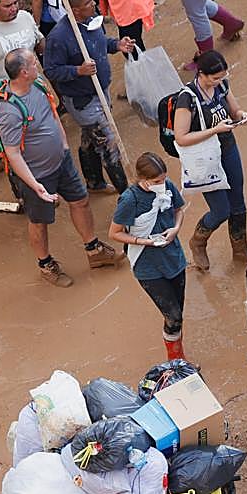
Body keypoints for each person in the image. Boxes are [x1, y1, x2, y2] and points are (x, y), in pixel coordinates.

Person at [0, 48, 123, 287]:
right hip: (37, 176)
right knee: (39, 221)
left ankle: (93, 250)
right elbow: (12, 153)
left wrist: (64, 145)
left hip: (61, 162)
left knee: (81, 200)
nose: (39, 65)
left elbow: (54, 115)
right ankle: (46, 265)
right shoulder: (9, 111)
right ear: (24, 72)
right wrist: (35, 186)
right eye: (35, 63)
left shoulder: (40, 85)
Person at [43, 0, 136, 194]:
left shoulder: (93, 22)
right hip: (83, 101)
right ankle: (127, 194)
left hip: (101, 92)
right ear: (75, 10)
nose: (93, 3)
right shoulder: (58, 38)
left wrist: (116, 45)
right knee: (109, 144)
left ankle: (94, 182)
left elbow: (101, 43)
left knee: (91, 138)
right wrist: (78, 71)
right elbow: (51, 71)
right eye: (87, 3)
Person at [173, 49, 247, 270]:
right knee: (221, 211)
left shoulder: (222, 86)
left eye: (222, 77)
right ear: (202, 74)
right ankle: (198, 242)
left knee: (239, 203)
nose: (219, 82)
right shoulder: (186, 98)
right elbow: (181, 137)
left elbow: (234, 110)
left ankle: (240, 251)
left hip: (228, 149)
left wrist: (241, 116)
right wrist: (214, 130)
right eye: (215, 78)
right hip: (205, 158)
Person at [108, 152, 188, 359]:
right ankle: (176, 360)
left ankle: (178, 358)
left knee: (178, 314)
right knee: (173, 315)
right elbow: (114, 233)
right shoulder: (129, 200)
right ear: (142, 179)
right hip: (148, 266)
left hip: (174, 258)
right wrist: (145, 241)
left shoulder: (167, 187)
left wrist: (176, 229)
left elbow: (179, 209)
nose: (162, 184)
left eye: (163, 178)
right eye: (156, 181)